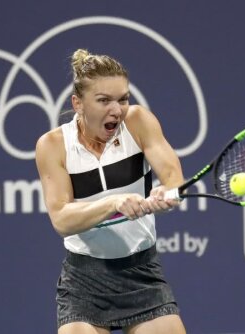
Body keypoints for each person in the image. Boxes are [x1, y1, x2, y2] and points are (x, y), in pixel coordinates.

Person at [35, 49, 187, 334]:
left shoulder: (138, 122)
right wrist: (113, 203)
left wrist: (165, 194)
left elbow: (173, 177)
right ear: (78, 103)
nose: (116, 110)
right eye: (104, 100)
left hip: (142, 272)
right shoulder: (53, 145)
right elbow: (61, 219)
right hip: (84, 281)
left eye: (123, 99)